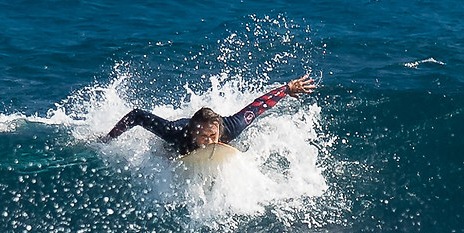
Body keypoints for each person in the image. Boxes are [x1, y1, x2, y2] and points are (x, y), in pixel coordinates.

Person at [100, 76, 318, 159]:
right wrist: (108, 141)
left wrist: (287, 88)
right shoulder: (176, 133)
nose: (210, 140)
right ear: (195, 132)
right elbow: (136, 115)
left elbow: (258, 106)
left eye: (212, 135)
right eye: (204, 136)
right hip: (181, 135)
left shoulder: (231, 127)